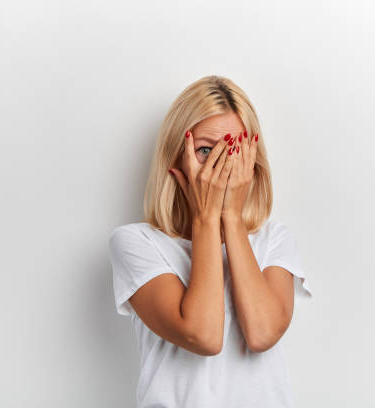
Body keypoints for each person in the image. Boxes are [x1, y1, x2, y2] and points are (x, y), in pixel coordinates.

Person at [108, 75, 313, 408]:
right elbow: (203, 335)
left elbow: (262, 334)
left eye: (234, 150)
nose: (222, 167)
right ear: (177, 157)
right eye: (206, 150)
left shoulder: (274, 240)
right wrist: (205, 219)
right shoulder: (137, 243)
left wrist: (231, 219)